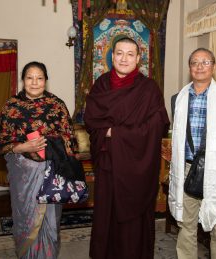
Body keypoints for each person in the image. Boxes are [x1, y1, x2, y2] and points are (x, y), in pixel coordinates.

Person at [84, 35, 170, 259]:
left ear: (138, 59)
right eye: (119, 53)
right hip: (109, 163)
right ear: (112, 56)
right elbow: (92, 120)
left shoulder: (149, 89)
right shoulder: (101, 85)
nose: (124, 58)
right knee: (107, 213)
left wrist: (117, 133)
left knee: (135, 220)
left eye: (130, 54)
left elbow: (158, 123)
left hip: (137, 166)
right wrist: (108, 133)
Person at [0, 61, 80, 258]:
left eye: (39, 78)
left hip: (51, 175)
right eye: (29, 78)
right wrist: (23, 147)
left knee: (50, 221)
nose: (34, 82)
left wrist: (51, 146)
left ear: (45, 81)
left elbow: (70, 138)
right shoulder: (11, 106)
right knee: (25, 217)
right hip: (22, 175)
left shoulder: (56, 105)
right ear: (23, 80)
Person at [169, 48, 216, 259]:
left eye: (205, 62)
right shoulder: (178, 99)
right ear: (190, 67)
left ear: (214, 67)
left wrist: (215, 153)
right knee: (186, 225)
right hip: (187, 168)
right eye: (195, 62)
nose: (200, 66)